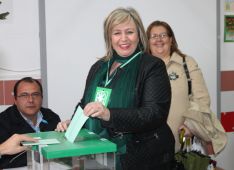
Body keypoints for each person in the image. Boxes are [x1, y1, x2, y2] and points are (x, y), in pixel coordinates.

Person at [56, 7, 174, 170]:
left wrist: (109, 114)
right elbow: (85, 104)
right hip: (98, 154)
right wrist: (74, 123)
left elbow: (154, 114)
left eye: (129, 32)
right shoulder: (99, 67)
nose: (123, 39)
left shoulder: (152, 66)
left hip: (141, 158)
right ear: (109, 37)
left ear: (139, 34)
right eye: (117, 33)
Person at [146, 20, 227, 155]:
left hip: (182, 140)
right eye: (154, 36)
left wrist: (190, 126)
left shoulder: (186, 63)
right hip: (148, 143)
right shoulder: (142, 66)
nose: (159, 39)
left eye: (163, 35)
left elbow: (202, 99)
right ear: (148, 41)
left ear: (171, 39)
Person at [0, 77, 61, 169]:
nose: (31, 100)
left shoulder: (52, 117)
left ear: (42, 98)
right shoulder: (2, 121)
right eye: (24, 95)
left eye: (35, 94)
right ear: (15, 100)